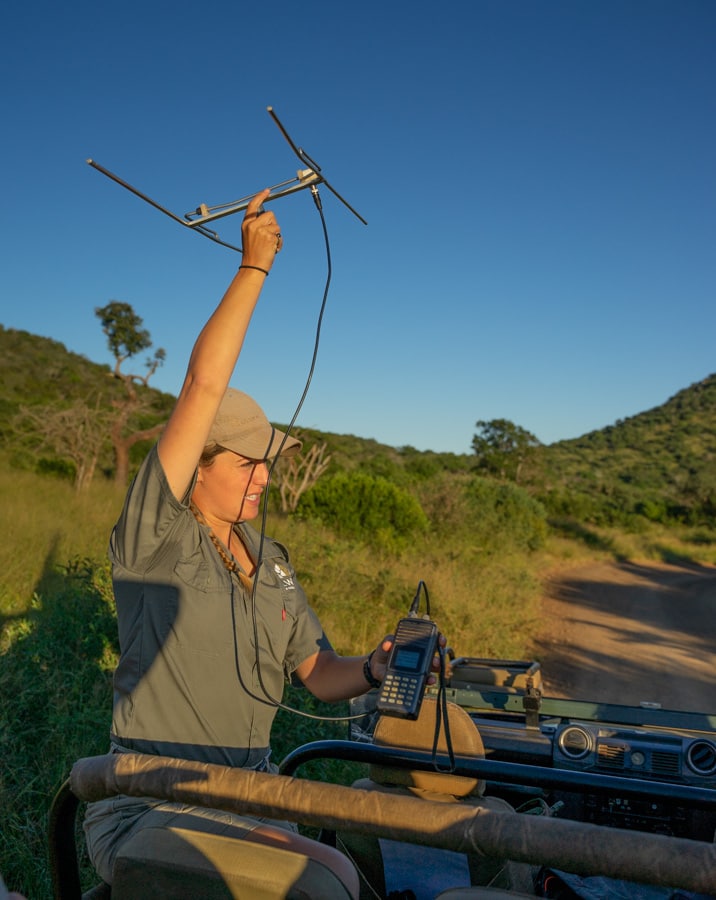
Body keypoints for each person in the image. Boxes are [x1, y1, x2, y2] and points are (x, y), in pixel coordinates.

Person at [83, 190, 441, 895]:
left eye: (268, 459)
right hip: (155, 800)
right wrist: (254, 268)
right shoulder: (156, 536)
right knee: (329, 878)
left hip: (251, 794)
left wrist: (373, 667)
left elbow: (315, 673)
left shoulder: (269, 560)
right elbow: (202, 383)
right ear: (197, 467)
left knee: (359, 865)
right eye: (247, 461)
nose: (265, 475)